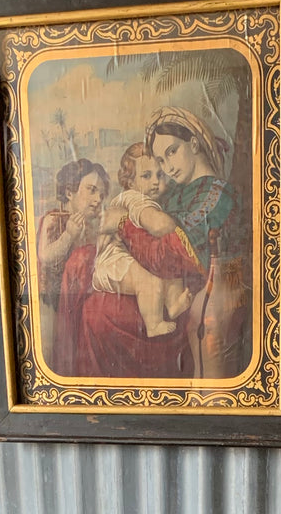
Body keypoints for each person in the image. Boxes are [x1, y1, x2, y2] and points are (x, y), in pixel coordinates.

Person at [91, 145, 192, 338]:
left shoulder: (147, 199)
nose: (155, 182)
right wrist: (174, 226)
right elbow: (160, 225)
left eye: (160, 175)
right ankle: (154, 325)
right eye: (146, 176)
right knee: (150, 278)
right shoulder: (134, 199)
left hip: (134, 258)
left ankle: (172, 305)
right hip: (114, 263)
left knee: (167, 264)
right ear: (130, 181)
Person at [34, 158, 108, 374]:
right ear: (69, 192)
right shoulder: (54, 219)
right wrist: (68, 236)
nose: (98, 199)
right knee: (55, 348)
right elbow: (45, 256)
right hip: (53, 300)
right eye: (92, 190)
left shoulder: (94, 227)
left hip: (79, 298)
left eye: (101, 195)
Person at [144, 108, 236, 268]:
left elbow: (169, 252)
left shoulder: (219, 194)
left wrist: (124, 223)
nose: (169, 168)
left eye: (172, 152)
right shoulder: (173, 191)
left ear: (193, 144)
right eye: (161, 161)